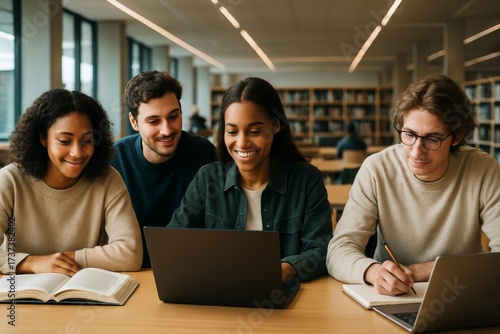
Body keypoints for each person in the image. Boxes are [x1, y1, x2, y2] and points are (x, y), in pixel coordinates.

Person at [327, 74, 500, 295]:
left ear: (456, 137)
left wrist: (426, 271)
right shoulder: (376, 169)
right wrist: (373, 271)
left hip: (460, 292)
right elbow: (338, 251)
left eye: (432, 138)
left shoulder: (483, 169)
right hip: (389, 296)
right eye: (409, 134)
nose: (417, 151)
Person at [167, 77, 332, 282]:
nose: (242, 143)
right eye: (232, 131)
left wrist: (285, 269)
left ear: (276, 125)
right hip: (217, 295)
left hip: (279, 297)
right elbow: (172, 241)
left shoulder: (307, 180)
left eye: (255, 131)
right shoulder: (208, 178)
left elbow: (321, 250)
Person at [0, 89, 142, 276]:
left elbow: (130, 253)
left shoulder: (108, 180)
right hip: (26, 299)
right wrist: (31, 263)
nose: (77, 153)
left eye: (86, 141)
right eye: (65, 141)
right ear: (43, 138)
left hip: (88, 299)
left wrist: (61, 261)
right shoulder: (10, 180)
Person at [112, 71, 217, 268]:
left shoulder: (204, 154)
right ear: (134, 122)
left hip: (191, 267)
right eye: (154, 121)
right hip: (132, 270)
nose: (167, 130)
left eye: (173, 116)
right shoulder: (115, 159)